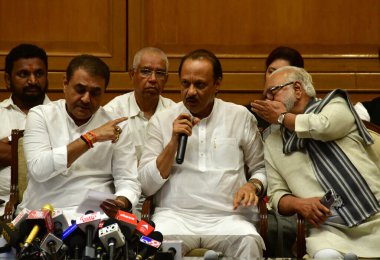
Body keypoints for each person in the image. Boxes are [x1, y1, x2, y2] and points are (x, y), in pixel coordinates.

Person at [138, 49, 267, 258]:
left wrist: (253, 185)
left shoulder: (239, 116)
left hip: (229, 218)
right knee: (153, 243)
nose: (190, 92)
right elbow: (146, 185)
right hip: (175, 217)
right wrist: (172, 143)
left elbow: (260, 169)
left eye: (199, 85)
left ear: (217, 84)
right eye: (185, 84)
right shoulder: (161, 120)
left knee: (249, 241)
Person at [251, 66, 380, 258]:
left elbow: (322, 127)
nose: (268, 100)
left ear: (297, 88)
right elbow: (277, 194)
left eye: (273, 91)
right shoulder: (273, 141)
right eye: (265, 95)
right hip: (329, 229)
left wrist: (282, 117)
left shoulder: (336, 106)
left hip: (375, 217)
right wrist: (298, 204)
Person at [17, 54, 141, 221]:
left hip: (96, 217)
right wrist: (91, 137)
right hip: (44, 214)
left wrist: (121, 201)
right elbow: (39, 170)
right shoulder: (40, 115)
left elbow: (128, 179)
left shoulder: (117, 126)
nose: (86, 99)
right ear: (65, 84)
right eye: (80, 89)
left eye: (95, 93)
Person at [0, 44, 50, 216]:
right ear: (7, 79)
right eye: (23, 74)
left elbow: (67, 158)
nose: (33, 81)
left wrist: (7, 148)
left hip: (50, 209)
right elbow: (56, 156)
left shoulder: (63, 115)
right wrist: (44, 153)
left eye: (39, 74)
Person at [104, 47, 175, 160]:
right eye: (146, 71)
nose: (153, 79)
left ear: (166, 79)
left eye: (160, 73)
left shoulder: (174, 113)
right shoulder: (112, 112)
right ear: (132, 74)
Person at [248, 46, 304, 132]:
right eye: (271, 71)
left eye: (282, 73)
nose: (274, 77)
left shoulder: (304, 117)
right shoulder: (249, 113)